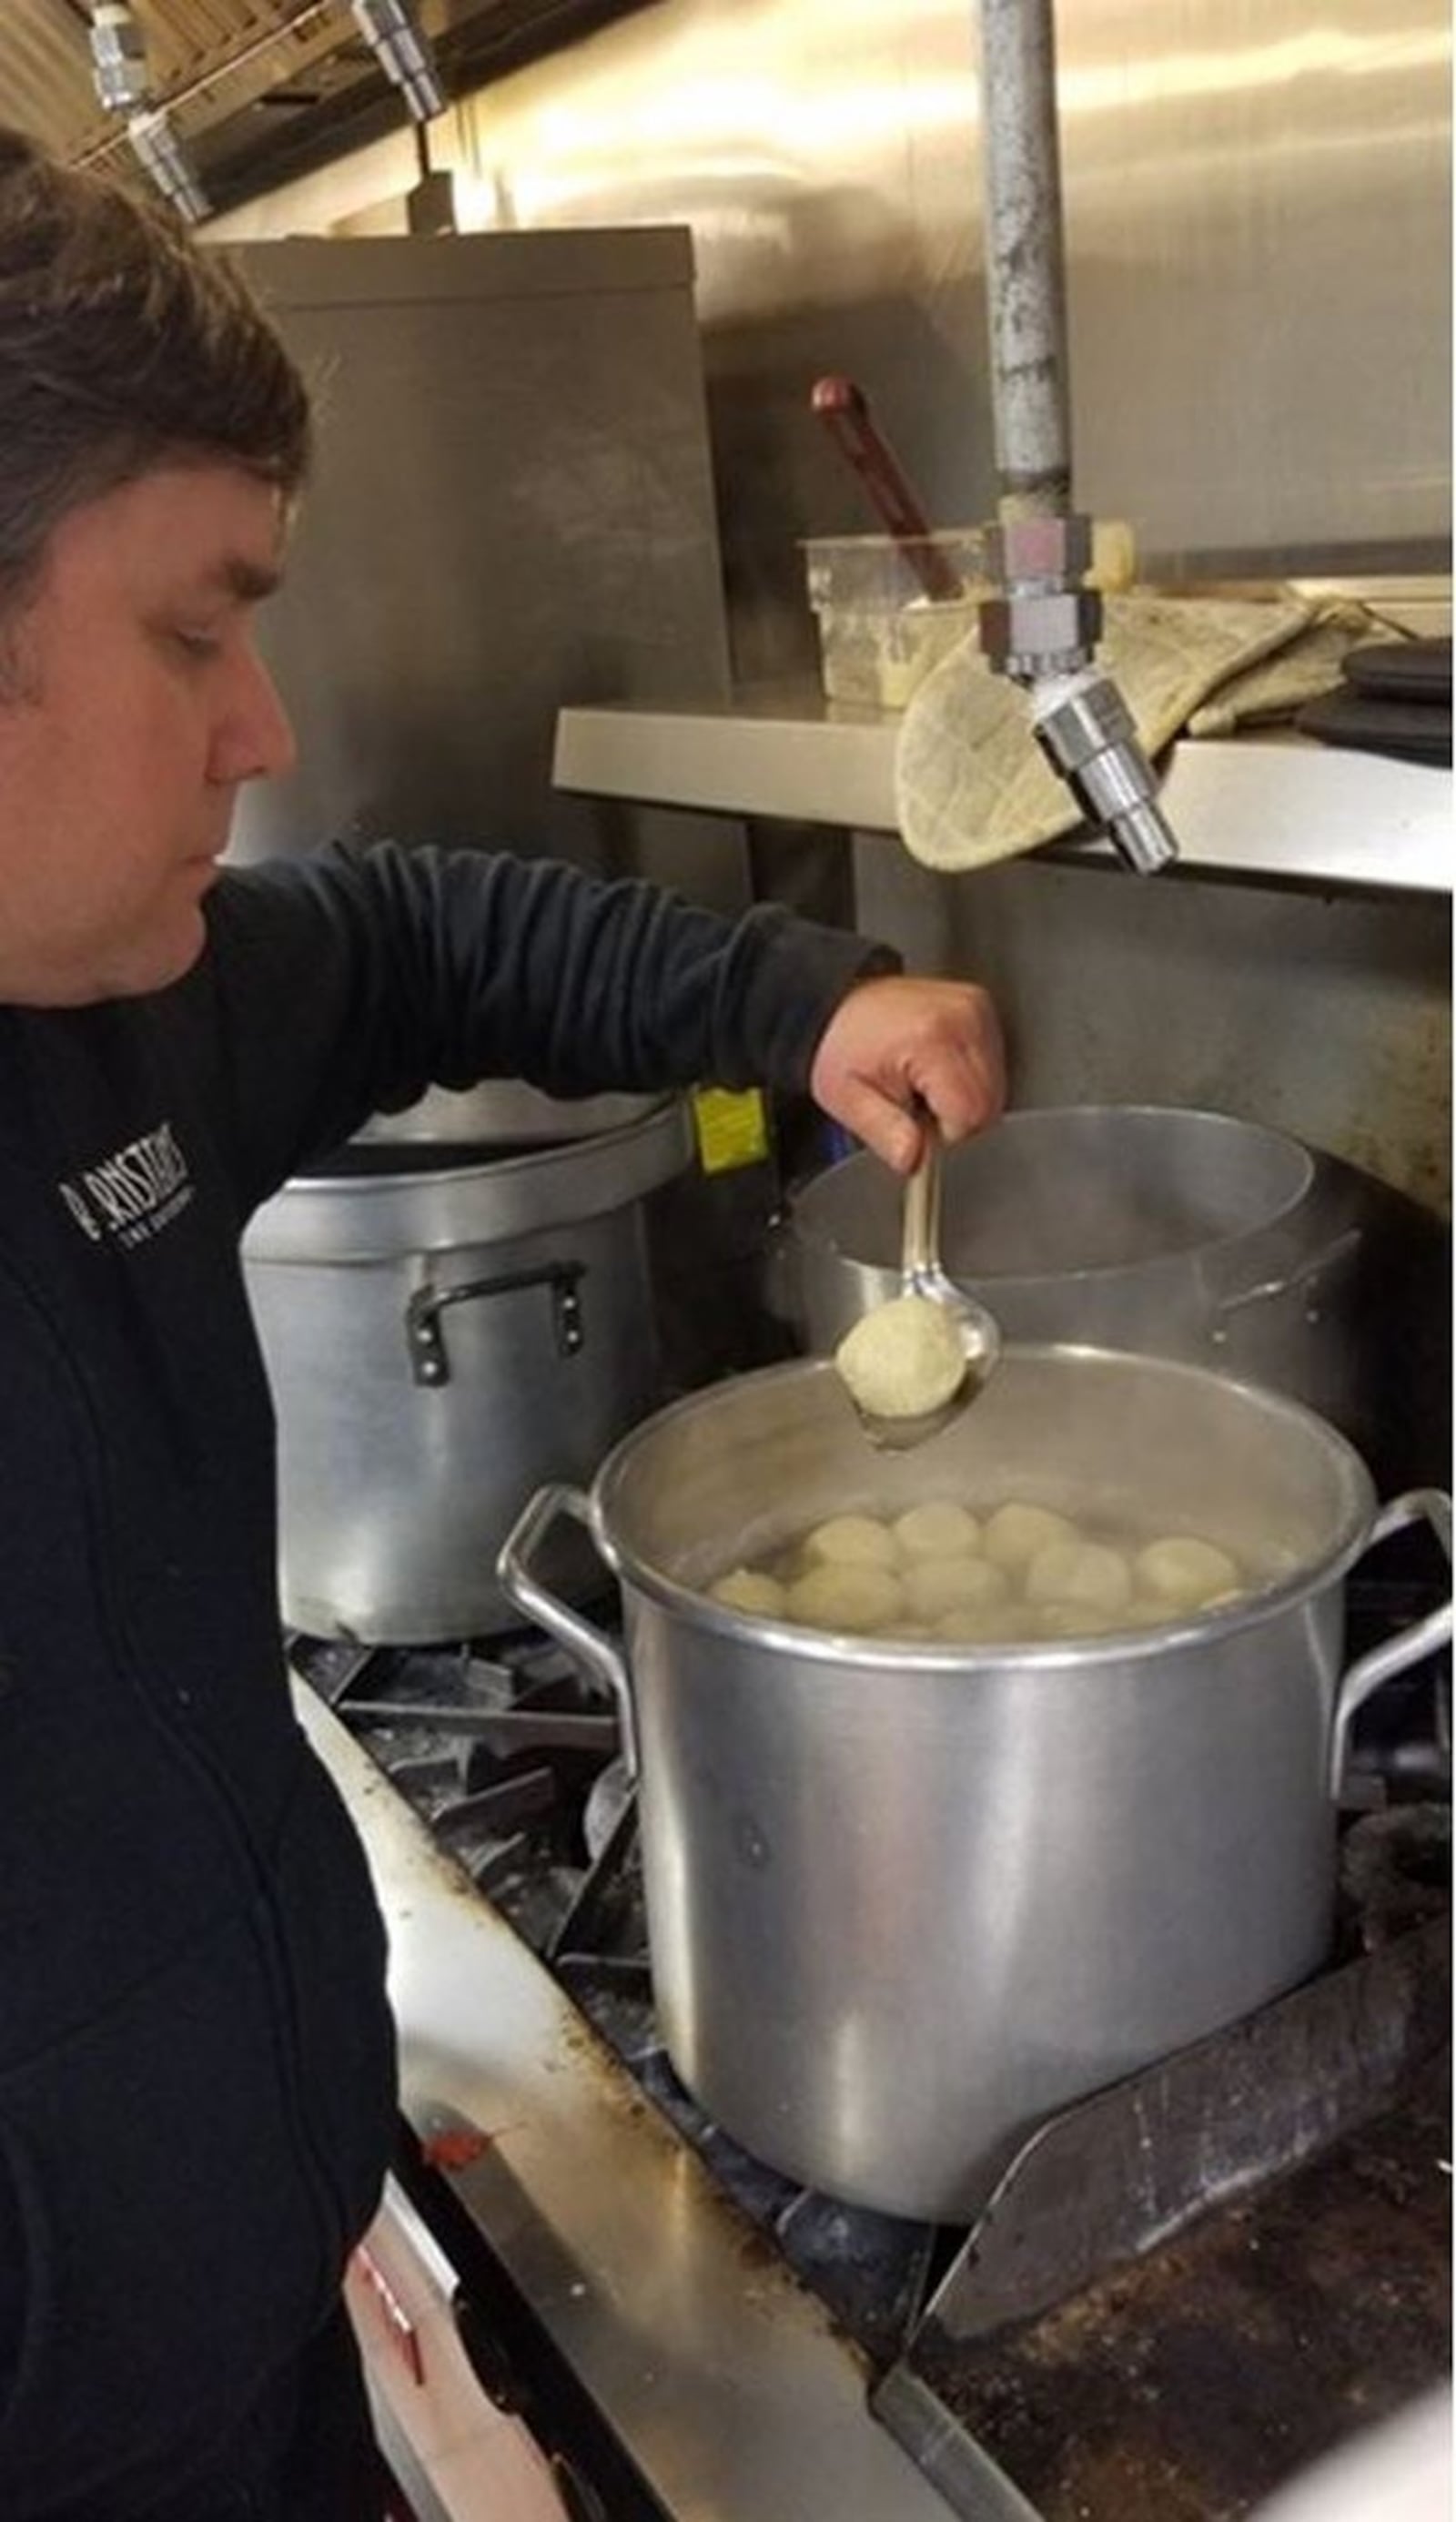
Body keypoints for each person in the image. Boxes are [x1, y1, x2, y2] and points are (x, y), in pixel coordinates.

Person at [0, 124, 1005, 2522]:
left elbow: (424, 936)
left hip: (271, 2309)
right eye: (186, 627)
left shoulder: (109, 1013)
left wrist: (805, 996)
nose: (256, 726)